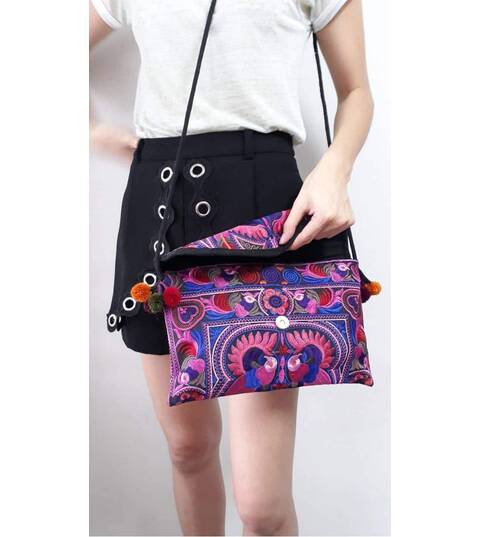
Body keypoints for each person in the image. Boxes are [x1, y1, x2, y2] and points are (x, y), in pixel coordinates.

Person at [90, 0, 373, 535]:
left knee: (262, 507)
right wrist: (91, 131)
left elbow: (356, 90)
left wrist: (334, 170)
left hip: (261, 210)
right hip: (159, 205)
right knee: (188, 447)